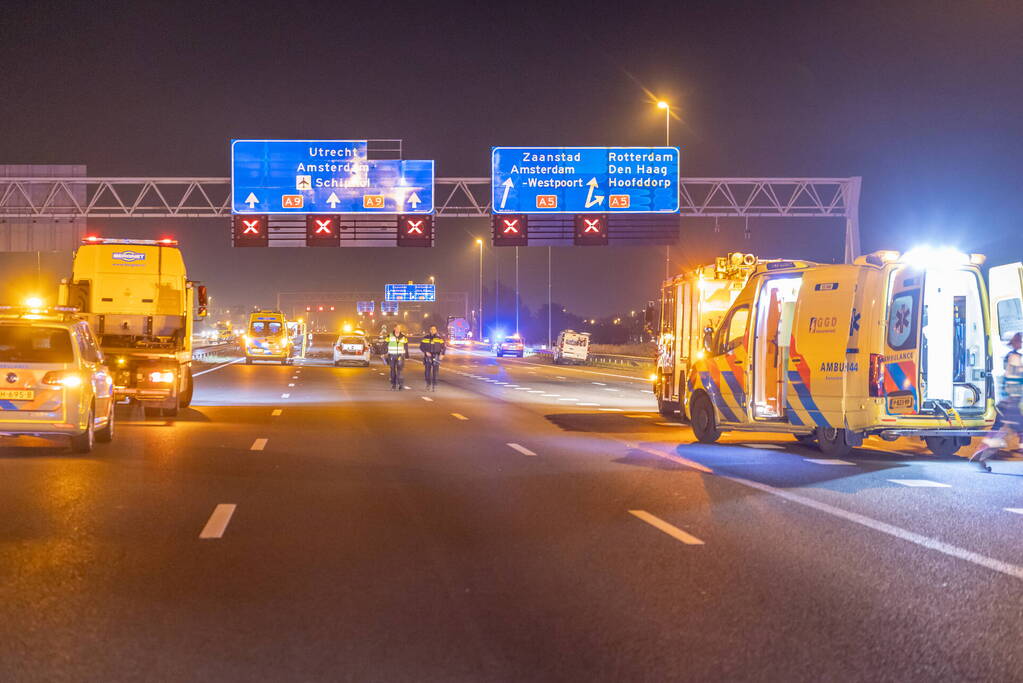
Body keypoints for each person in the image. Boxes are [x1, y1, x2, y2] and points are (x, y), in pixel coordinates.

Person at [972, 332, 1023, 470]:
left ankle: (981, 454)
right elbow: (1014, 379)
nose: (1021, 343)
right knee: (1018, 430)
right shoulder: (1014, 357)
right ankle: (981, 453)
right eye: (1019, 341)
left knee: (998, 428)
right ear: (1015, 343)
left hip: (1007, 401)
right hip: (1011, 401)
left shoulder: (1011, 356)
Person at [420, 324, 446, 390]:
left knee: (435, 371)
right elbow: (421, 347)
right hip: (428, 356)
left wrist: (442, 354)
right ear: (429, 330)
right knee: (427, 371)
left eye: (434, 329)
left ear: (436, 330)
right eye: (431, 329)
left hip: (436, 355)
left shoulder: (439, 338)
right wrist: (426, 352)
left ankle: (435, 383)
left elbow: (444, 347)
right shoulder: (425, 338)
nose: (432, 330)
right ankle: (428, 383)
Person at [385, 325, 410, 390]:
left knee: (400, 371)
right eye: (397, 328)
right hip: (392, 355)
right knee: (392, 370)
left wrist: (407, 355)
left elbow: (406, 346)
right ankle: (393, 385)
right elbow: (385, 344)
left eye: (399, 328)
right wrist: (383, 352)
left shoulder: (403, 337)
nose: (398, 329)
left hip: (400, 356)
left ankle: (400, 385)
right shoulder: (389, 336)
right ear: (394, 328)